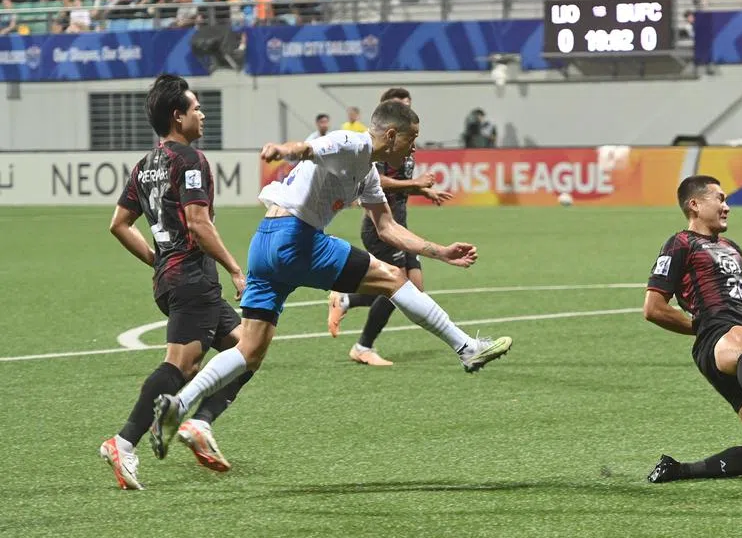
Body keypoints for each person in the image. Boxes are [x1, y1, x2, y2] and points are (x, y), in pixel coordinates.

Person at [149, 100, 513, 457]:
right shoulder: (351, 142)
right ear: (391, 135)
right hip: (295, 238)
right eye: (411, 138)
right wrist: (281, 150)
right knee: (392, 277)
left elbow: (387, 227)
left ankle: (178, 405)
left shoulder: (368, 174)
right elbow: (305, 149)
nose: (414, 147)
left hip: (264, 244)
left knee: (249, 351)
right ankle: (466, 348)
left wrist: (440, 252)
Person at [101, 75, 255, 489]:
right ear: (177, 116)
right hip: (192, 277)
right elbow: (199, 223)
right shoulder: (189, 159)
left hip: (174, 278)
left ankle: (200, 423)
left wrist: (156, 259)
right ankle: (123, 443)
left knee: (248, 350)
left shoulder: (145, 165)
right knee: (180, 365)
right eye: (196, 108)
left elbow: (119, 224)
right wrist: (235, 269)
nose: (202, 114)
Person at [642, 175, 742, 484]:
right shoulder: (680, 244)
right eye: (720, 199)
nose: (727, 207)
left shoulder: (732, 248)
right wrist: (700, 327)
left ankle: (679, 470)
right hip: (718, 337)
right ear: (694, 204)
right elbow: (653, 308)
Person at [327, 87, 454, 366]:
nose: (406, 110)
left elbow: (400, 185)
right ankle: (363, 347)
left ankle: (347, 300)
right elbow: (377, 182)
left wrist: (423, 191)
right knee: (398, 286)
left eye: (408, 104)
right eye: (400, 105)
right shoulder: (380, 145)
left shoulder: (407, 142)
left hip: (399, 221)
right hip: (381, 225)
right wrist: (415, 183)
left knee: (414, 289)